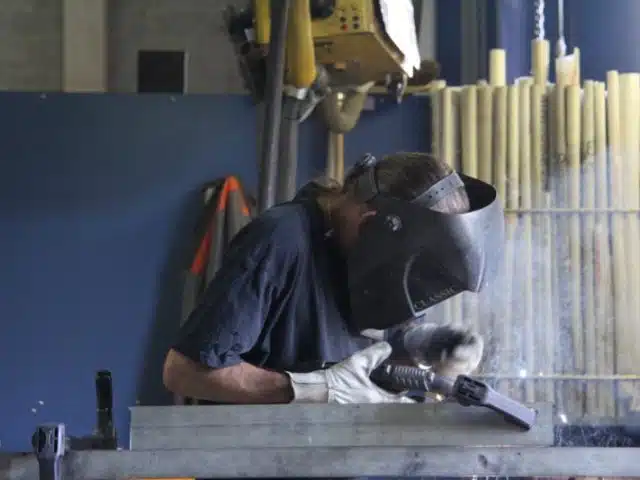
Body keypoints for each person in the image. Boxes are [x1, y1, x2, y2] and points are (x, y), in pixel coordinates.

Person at [162, 152, 504, 404]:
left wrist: (423, 349)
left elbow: (366, 373)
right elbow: (184, 372)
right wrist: (313, 390)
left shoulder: (378, 269)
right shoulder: (282, 238)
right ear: (373, 226)